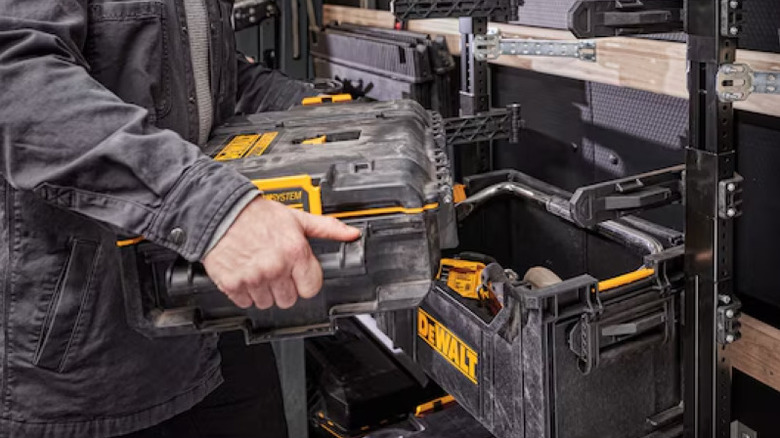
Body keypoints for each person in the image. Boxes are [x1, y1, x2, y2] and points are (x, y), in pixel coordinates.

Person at [0, 1, 361, 437]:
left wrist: (314, 110)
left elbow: (200, 75)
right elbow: (16, 78)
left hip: (208, 302)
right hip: (90, 338)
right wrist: (213, 211)